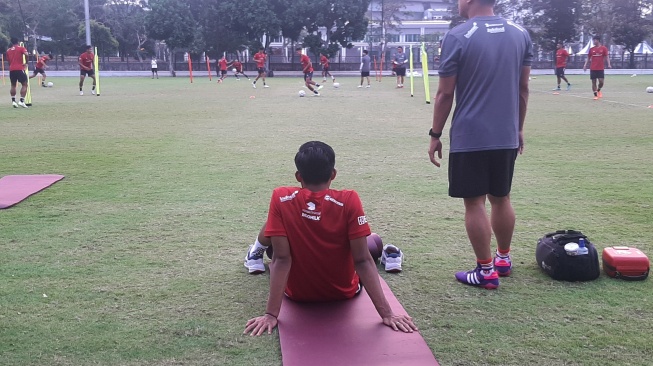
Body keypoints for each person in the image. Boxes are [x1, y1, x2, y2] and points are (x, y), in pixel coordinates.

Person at [242, 141, 415, 336]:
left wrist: (271, 314)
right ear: (333, 174)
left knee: (277, 238)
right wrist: (388, 313)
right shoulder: (349, 199)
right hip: (344, 293)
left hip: (297, 295)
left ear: (299, 176)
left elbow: (281, 259)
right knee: (370, 242)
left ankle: (255, 251)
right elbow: (362, 260)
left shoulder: (280, 197)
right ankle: (389, 252)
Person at [428, 0, 533, 289]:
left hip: (470, 136)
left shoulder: (457, 35)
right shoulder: (520, 33)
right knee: (502, 197)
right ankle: (503, 259)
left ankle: (486, 271)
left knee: (474, 202)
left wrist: (435, 134)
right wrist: (519, 128)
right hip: (506, 134)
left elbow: (444, 94)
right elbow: (523, 89)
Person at [583, 36, 611, 100]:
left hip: (600, 68)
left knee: (601, 82)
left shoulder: (603, 48)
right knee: (593, 82)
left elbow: (607, 57)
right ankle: (595, 95)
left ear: (598, 40)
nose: (593, 42)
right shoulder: (591, 49)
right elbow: (588, 58)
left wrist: (609, 64)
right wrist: (585, 65)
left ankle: (598, 90)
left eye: (594, 40)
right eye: (593, 40)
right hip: (593, 68)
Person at [6, 37, 29, 108]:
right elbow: (27, 54)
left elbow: (8, 61)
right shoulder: (21, 48)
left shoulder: (8, 50)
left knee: (13, 85)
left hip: (12, 69)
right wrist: (26, 63)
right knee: (25, 84)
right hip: (19, 68)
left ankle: (13, 101)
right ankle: (21, 101)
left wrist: (11, 66)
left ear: (11, 42)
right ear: (18, 42)